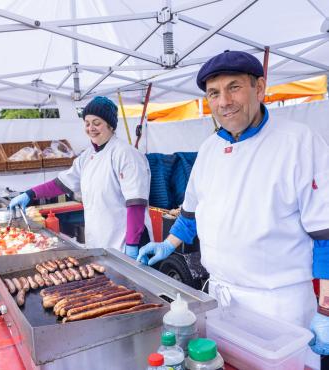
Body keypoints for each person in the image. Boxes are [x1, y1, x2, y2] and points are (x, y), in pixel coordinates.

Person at [137, 50, 329, 358]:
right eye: (214, 93)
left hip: (279, 306)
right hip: (221, 302)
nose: (224, 101)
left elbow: (325, 236)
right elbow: (190, 215)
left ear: (260, 88)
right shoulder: (209, 149)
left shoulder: (299, 142)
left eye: (234, 87)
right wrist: (167, 245)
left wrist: (326, 310)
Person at [10, 96, 152, 258]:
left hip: (127, 242)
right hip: (102, 241)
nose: (91, 128)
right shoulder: (87, 156)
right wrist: (29, 194)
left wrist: (133, 244)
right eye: (87, 123)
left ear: (110, 125)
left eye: (96, 122)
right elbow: (61, 183)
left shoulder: (126, 154)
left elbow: (136, 203)